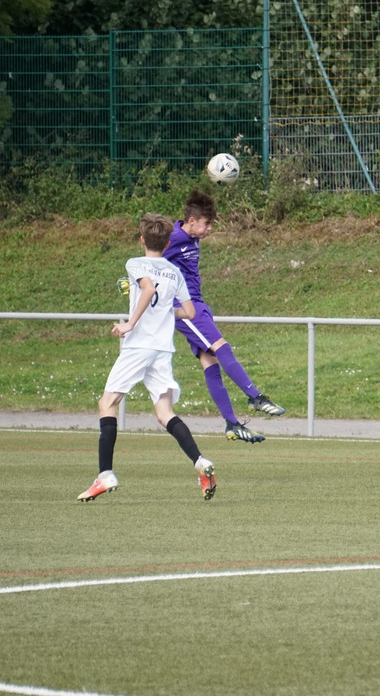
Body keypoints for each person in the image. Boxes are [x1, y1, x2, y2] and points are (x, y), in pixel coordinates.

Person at [79, 213, 217, 502]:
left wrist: (130, 323)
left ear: (142, 240)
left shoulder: (135, 264)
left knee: (107, 403)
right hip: (162, 349)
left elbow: (148, 289)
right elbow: (189, 312)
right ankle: (200, 461)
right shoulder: (174, 271)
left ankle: (105, 474)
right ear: (167, 244)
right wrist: (165, 309)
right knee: (165, 413)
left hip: (139, 347)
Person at [163, 188, 285, 444]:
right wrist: (134, 282)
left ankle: (232, 423)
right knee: (222, 347)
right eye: (206, 224)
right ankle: (255, 397)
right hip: (185, 308)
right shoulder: (173, 238)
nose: (209, 229)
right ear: (192, 221)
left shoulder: (191, 238)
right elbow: (150, 259)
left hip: (198, 305)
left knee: (210, 362)